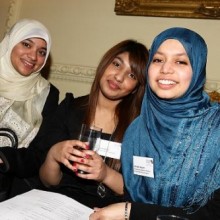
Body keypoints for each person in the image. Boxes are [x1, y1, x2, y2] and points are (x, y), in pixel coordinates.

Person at [89, 27, 220, 220]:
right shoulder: (137, 130)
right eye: (158, 60)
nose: (165, 69)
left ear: (197, 70)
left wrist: (129, 212)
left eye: (180, 61)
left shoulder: (215, 129)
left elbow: (212, 214)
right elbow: (131, 192)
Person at [39, 39, 149, 208]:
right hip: (59, 205)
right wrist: (53, 155)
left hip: (107, 211)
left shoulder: (140, 128)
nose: (119, 77)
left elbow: (142, 192)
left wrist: (106, 175)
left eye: (132, 75)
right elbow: (48, 182)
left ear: (136, 87)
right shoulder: (69, 108)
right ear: (105, 64)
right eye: (117, 64)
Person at [0, 19, 59, 200]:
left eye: (41, 52)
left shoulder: (47, 94)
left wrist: (4, 157)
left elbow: (38, 155)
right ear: (11, 43)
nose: (33, 57)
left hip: (7, 183)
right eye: (26, 44)